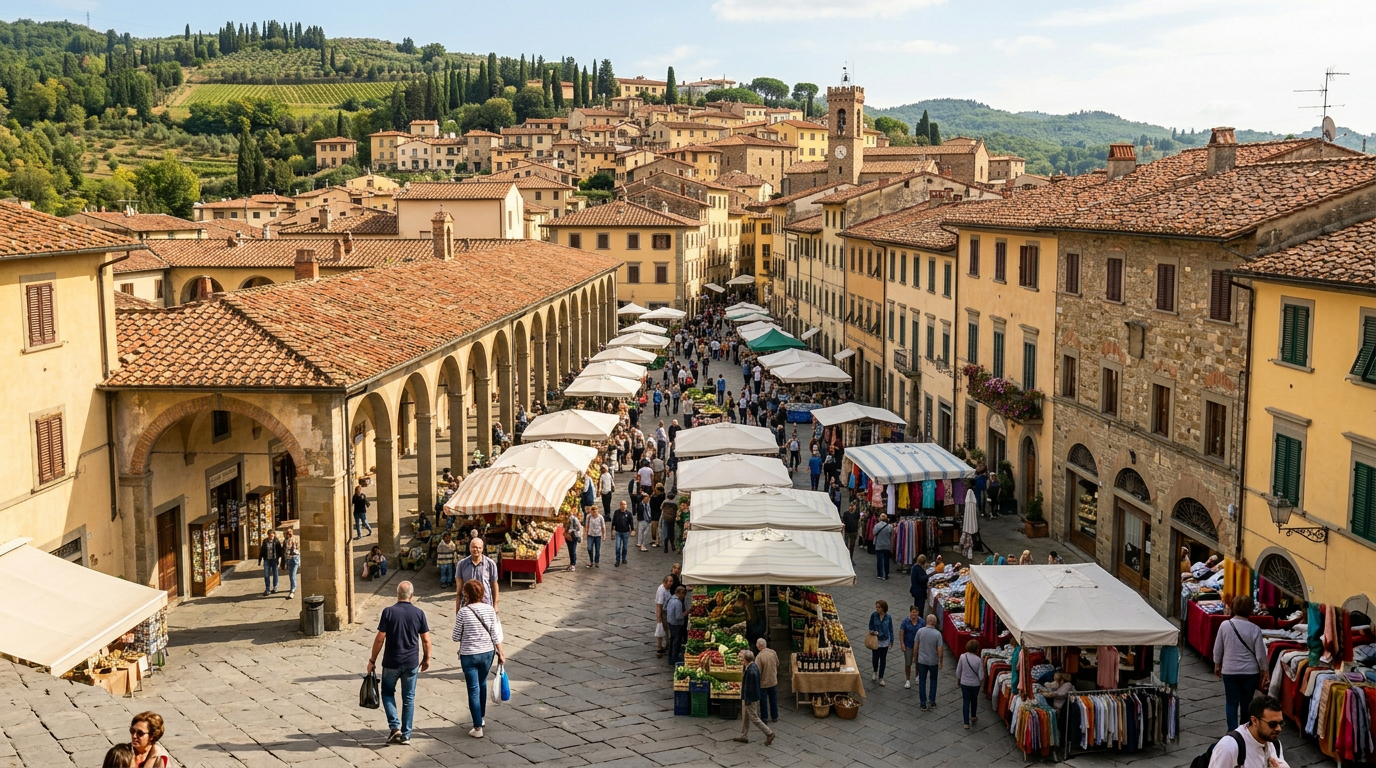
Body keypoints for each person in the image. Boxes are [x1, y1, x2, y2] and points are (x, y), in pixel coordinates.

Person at [368, 582, 431, 746]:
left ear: (397, 595)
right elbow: (426, 640)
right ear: (412, 595)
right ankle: (407, 735)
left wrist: (372, 660)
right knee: (408, 698)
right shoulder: (419, 613)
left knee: (388, 692)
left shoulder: (388, 612)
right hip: (411, 663)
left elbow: (380, 638)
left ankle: (395, 726)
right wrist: (426, 659)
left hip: (391, 661)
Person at [452, 579, 505, 740]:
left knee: (473, 689)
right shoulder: (490, 610)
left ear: (466, 594)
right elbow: (496, 634)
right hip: (487, 653)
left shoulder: (463, 612)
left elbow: (455, 636)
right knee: (482, 684)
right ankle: (480, 718)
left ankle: (477, 727)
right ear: (482, 593)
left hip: (469, 655)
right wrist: (501, 653)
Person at [1214, 595, 1270, 730]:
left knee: (1231, 703)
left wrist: (1217, 664)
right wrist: (1265, 670)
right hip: (1250, 672)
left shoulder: (1225, 625)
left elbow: (1218, 648)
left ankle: (1232, 731)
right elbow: (1261, 654)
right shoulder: (1254, 629)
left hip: (1230, 670)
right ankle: (1244, 730)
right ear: (1251, 610)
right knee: (1246, 703)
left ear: (1233, 608)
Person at [1206, 695, 1287, 768]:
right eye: (1272, 724)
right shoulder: (1229, 747)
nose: (1279, 728)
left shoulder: (1275, 744)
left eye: (1281, 723)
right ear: (1254, 721)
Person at [734, 649, 776, 745]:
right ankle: (743, 736)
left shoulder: (751, 671)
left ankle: (769, 733)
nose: (741, 660)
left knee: (754, 718)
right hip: (748, 697)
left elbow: (750, 688)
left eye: (742, 658)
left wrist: (747, 700)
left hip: (750, 698)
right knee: (745, 716)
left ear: (745, 660)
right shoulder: (752, 666)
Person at [455, 537, 499, 609]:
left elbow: (495, 585)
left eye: (479, 548)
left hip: (486, 604)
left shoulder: (490, 564)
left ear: (482, 549)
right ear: (469, 548)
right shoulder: (461, 564)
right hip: (467, 605)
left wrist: (495, 604)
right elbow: (459, 591)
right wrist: (457, 609)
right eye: (474, 547)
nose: (476, 550)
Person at [916, 613, 944, 711]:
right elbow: (940, 650)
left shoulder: (920, 631)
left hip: (922, 660)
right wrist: (940, 661)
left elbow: (916, 646)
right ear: (935, 623)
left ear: (927, 621)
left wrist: (915, 657)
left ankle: (923, 703)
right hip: (933, 661)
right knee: (933, 681)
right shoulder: (938, 634)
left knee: (922, 681)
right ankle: (932, 701)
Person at [957, 639, 984, 728]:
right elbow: (981, 675)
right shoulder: (978, 660)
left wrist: (959, 679)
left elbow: (958, 670)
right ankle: (973, 716)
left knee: (966, 701)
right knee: (974, 700)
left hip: (964, 682)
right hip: (975, 684)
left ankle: (966, 723)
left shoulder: (962, 657)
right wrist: (981, 682)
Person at [868, 600, 894, 686]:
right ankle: (875, 671)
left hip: (885, 641)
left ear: (883, 608)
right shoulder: (874, 615)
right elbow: (870, 625)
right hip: (876, 640)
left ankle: (881, 677)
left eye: (879, 607)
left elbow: (890, 629)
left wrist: (891, 640)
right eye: (876, 607)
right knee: (875, 658)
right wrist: (873, 631)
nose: (877, 609)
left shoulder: (888, 617)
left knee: (883, 660)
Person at [755, 638, 780, 723]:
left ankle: (764, 718)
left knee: (763, 701)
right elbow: (777, 663)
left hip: (763, 683)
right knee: (773, 699)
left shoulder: (759, 657)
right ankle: (774, 716)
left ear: (759, 646)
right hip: (773, 680)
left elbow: (757, 671)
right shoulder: (773, 652)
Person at [899, 606, 924, 690]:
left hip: (919, 646)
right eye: (913, 612)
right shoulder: (905, 622)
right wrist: (902, 644)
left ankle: (917, 676)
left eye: (916, 612)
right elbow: (902, 632)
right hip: (908, 645)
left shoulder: (922, 622)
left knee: (918, 662)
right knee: (908, 663)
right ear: (910, 612)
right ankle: (908, 679)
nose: (914, 614)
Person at [666, 585, 687, 664]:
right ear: (679, 593)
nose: (684, 596)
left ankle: (671, 657)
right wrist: (687, 612)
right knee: (676, 642)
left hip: (671, 623)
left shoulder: (671, 599)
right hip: (676, 625)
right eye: (683, 594)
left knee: (672, 640)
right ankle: (674, 658)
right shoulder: (678, 603)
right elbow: (679, 617)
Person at [257, 529, 283, 596]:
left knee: (275, 574)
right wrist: (259, 560)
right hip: (267, 560)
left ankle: (275, 587)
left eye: (272, 535)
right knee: (266, 575)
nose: (271, 537)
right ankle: (267, 589)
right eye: (270, 536)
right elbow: (262, 551)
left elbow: (280, 551)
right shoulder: (265, 541)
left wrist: (279, 559)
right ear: (268, 535)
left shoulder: (276, 541)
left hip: (274, 560)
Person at [655, 575, 674, 657]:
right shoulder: (661, 591)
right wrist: (658, 618)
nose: (671, 583)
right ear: (665, 582)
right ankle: (659, 648)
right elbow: (659, 605)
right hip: (663, 612)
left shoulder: (667, 589)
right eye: (670, 581)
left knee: (666, 629)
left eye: (672, 581)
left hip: (666, 611)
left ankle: (666, 644)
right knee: (661, 628)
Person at [612, 500, 633, 566]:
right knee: (617, 547)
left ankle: (624, 558)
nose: (623, 506)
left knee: (625, 547)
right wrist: (612, 533)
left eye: (624, 504)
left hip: (626, 532)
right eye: (621, 504)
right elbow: (613, 523)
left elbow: (631, 523)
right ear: (620, 505)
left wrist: (632, 530)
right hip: (618, 532)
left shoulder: (629, 514)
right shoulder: (616, 512)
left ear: (626, 505)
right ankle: (617, 560)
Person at [872, 513, 893, 580]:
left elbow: (874, 533)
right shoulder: (890, 526)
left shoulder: (876, 526)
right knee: (886, 560)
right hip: (887, 545)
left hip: (879, 545)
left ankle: (880, 574)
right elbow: (891, 534)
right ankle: (886, 574)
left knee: (879, 560)